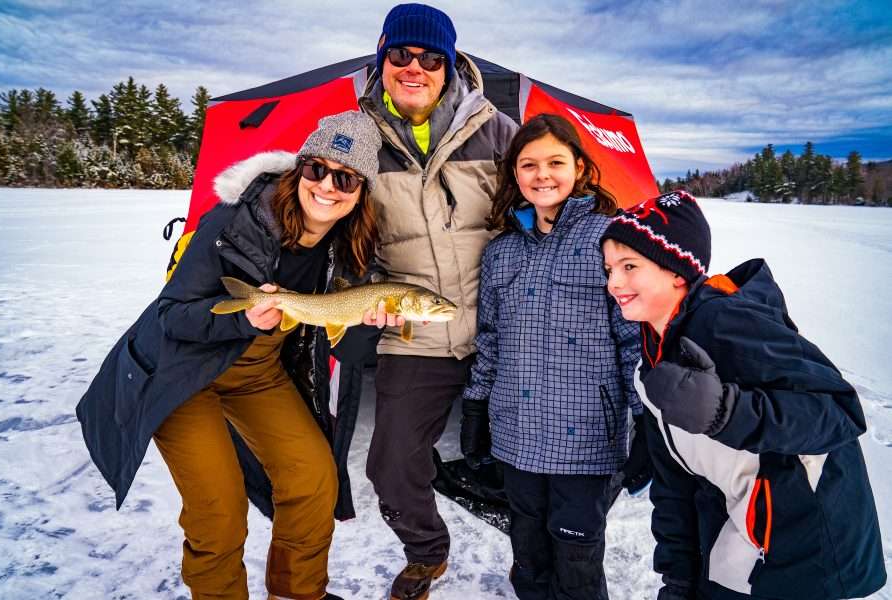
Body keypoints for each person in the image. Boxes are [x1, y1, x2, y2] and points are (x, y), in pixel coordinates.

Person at [76, 111, 383, 600]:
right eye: (315, 169)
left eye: (345, 177)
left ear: (361, 191)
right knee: (217, 508)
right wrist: (241, 319)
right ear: (298, 170)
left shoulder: (349, 250)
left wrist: (368, 325)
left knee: (313, 475)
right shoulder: (233, 221)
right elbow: (172, 314)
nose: (327, 186)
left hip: (257, 373)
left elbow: (348, 345)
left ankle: (298, 591)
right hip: (183, 371)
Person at [599, 190, 887, 599]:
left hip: (808, 546)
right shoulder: (651, 360)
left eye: (629, 266)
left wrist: (726, 412)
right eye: (609, 268)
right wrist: (678, 577)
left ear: (677, 270)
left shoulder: (724, 322)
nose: (614, 282)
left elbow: (839, 410)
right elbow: (674, 484)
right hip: (739, 538)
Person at [357, 4, 518, 599]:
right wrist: (363, 292)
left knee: (538, 451)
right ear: (383, 60)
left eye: (430, 58)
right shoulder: (359, 138)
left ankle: (544, 552)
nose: (414, 68)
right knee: (391, 466)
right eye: (400, 56)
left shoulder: (496, 130)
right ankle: (427, 553)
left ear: (449, 66)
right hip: (416, 333)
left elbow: (539, 215)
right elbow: (348, 238)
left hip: (500, 327)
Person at [456, 113, 642, 600]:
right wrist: (475, 407)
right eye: (529, 164)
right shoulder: (500, 253)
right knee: (529, 549)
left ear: (579, 168)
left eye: (556, 162)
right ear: (515, 175)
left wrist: (645, 423)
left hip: (586, 440)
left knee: (577, 555)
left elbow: (632, 340)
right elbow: (490, 339)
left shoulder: (609, 239)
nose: (543, 175)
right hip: (515, 433)